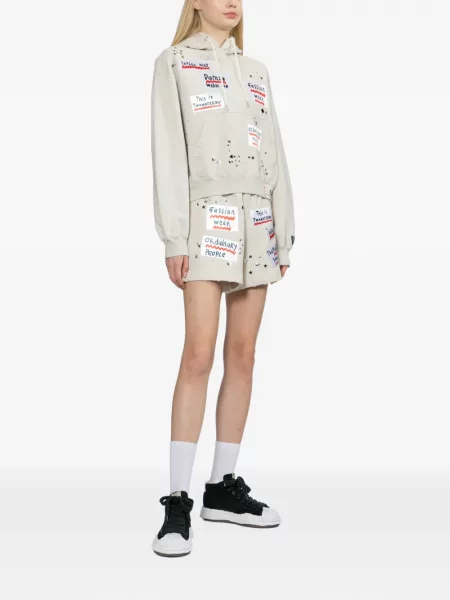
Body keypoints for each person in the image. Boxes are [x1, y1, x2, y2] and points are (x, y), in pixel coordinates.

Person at [150, 0, 295, 558]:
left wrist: (284, 230)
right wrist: (175, 237)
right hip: (206, 218)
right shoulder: (175, 63)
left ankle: (221, 489)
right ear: (195, 3)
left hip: (258, 221)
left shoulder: (255, 70)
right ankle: (177, 500)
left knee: (244, 356)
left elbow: (276, 152)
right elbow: (168, 151)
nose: (232, 2)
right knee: (198, 355)